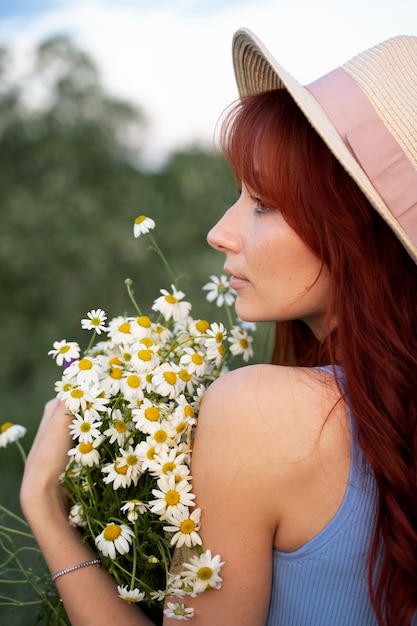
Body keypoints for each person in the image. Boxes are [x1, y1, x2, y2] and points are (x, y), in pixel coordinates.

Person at [20, 28, 417, 626]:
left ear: (356, 228)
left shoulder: (261, 412)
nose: (219, 232)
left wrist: (46, 512)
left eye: (264, 204)